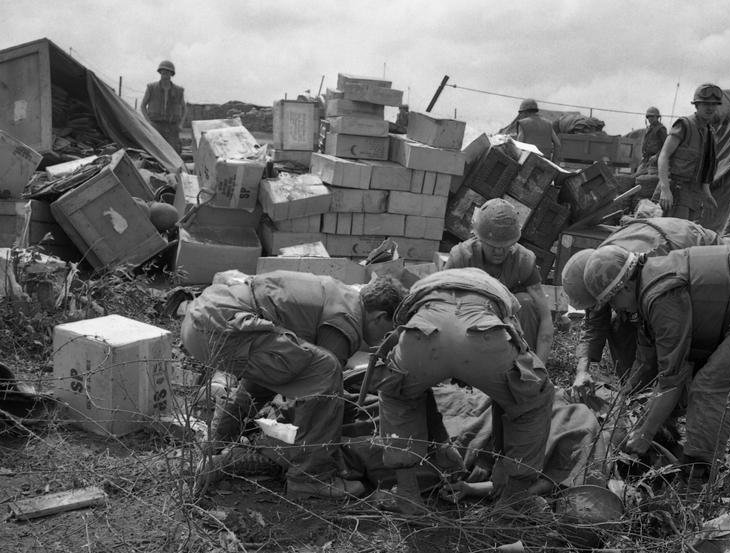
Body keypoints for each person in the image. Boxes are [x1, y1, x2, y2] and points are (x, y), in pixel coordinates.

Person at [562, 244, 730, 491]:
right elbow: (648, 362)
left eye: (613, 301)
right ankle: (692, 463)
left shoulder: (660, 296)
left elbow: (672, 378)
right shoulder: (645, 284)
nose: (616, 309)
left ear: (625, 286)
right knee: (698, 385)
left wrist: (645, 434)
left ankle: (696, 481)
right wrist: (623, 402)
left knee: (710, 387)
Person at [181, 270, 404, 498]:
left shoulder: (339, 294)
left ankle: (213, 447)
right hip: (222, 328)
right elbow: (321, 391)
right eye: (388, 332)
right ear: (379, 317)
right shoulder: (348, 320)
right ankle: (311, 478)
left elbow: (269, 380)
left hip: (201, 320)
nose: (384, 341)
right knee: (327, 370)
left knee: (282, 375)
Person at [372, 268, 555, 506]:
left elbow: (417, 388)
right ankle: (513, 500)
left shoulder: (426, 285)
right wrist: (498, 457)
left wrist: (441, 444)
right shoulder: (498, 291)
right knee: (531, 399)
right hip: (483, 333)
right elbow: (511, 398)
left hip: (422, 331)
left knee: (399, 393)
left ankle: (407, 494)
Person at [564, 215, 721, 385]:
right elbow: (594, 322)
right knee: (620, 324)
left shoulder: (649, 266)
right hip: (664, 251)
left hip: (705, 266)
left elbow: (659, 330)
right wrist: (582, 372)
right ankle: (635, 386)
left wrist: (666, 381)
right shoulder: (601, 269)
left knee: (674, 339)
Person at [446, 198, 555, 360]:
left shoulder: (523, 260)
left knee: (525, 302)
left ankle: (523, 366)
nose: (498, 252)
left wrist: (539, 369)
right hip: (471, 325)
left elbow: (546, 318)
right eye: (492, 246)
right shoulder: (461, 258)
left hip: (510, 328)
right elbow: (440, 305)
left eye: (505, 247)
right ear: (479, 239)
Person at [654, 83, 723, 221]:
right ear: (697, 105)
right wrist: (665, 189)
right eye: (705, 104)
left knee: (687, 237)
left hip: (695, 194)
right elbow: (664, 155)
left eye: (714, 104)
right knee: (674, 235)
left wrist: (707, 193)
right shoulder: (684, 125)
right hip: (676, 192)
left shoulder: (709, 132)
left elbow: (705, 167)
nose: (710, 108)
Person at [141, 60, 187, 155]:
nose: (165, 75)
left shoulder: (179, 91)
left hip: (172, 127)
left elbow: (184, 109)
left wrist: (181, 124)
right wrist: (148, 122)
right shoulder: (151, 88)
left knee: (174, 154)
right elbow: (142, 106)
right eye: (163, 72)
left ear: (171, 74)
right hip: (156, 125)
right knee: (154, 152)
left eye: (168, 72)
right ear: (160, 72)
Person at [636, 106, 667, 176]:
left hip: (655, 161)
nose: (650, 119)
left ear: (657, 117)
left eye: (652, 117)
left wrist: (656, 156)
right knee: (637, 177)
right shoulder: (649, 129)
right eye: (649, 117)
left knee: (649, 179)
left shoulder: (661, 129)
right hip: (646, 159)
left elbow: (666, 146)